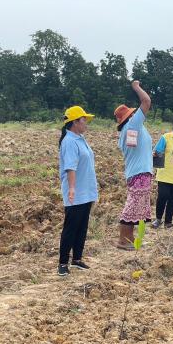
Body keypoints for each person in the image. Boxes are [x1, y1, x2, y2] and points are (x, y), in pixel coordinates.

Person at [57, 106, 98, 276]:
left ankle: (77, 259)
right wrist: (72, 188)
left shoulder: (80, 138)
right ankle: (62, 262)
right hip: (76, 192)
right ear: (74, 122)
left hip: (85, 191)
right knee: (71, 227)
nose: (86, 123)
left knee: (82, 226)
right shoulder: (69, 142)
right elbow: (70, 168)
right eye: (83, 120)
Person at [115, 80, 152, 250]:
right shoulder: (133, 125)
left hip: (137, 172)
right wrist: (136, 87)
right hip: (139, 173)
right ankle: (124, 240)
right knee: (132, 206)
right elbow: (146, 101)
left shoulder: (128, 131)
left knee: (135, 205)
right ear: (129, 117)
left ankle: (129, 239)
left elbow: (138, 150)